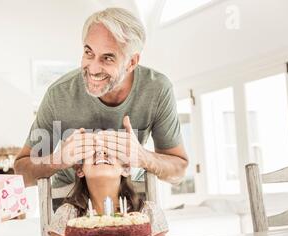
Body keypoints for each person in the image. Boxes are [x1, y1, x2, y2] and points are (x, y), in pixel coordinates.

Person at [15, 7, 188, 191]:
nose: (93, 69)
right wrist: (57, 160)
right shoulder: (58, 95)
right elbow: (21, 173)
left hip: (132, 202)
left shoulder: (157, 90)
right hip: (68, 201)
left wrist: (143, 157)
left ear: (132, 62)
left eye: (107, 58)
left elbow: (178, 171)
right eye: (89, 53)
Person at [49, 150, 168, 236]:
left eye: (111, 148)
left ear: (126, 169)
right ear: (80, 170)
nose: (101, 152)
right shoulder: (67, 215)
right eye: (93, 149)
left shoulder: (147, 212)